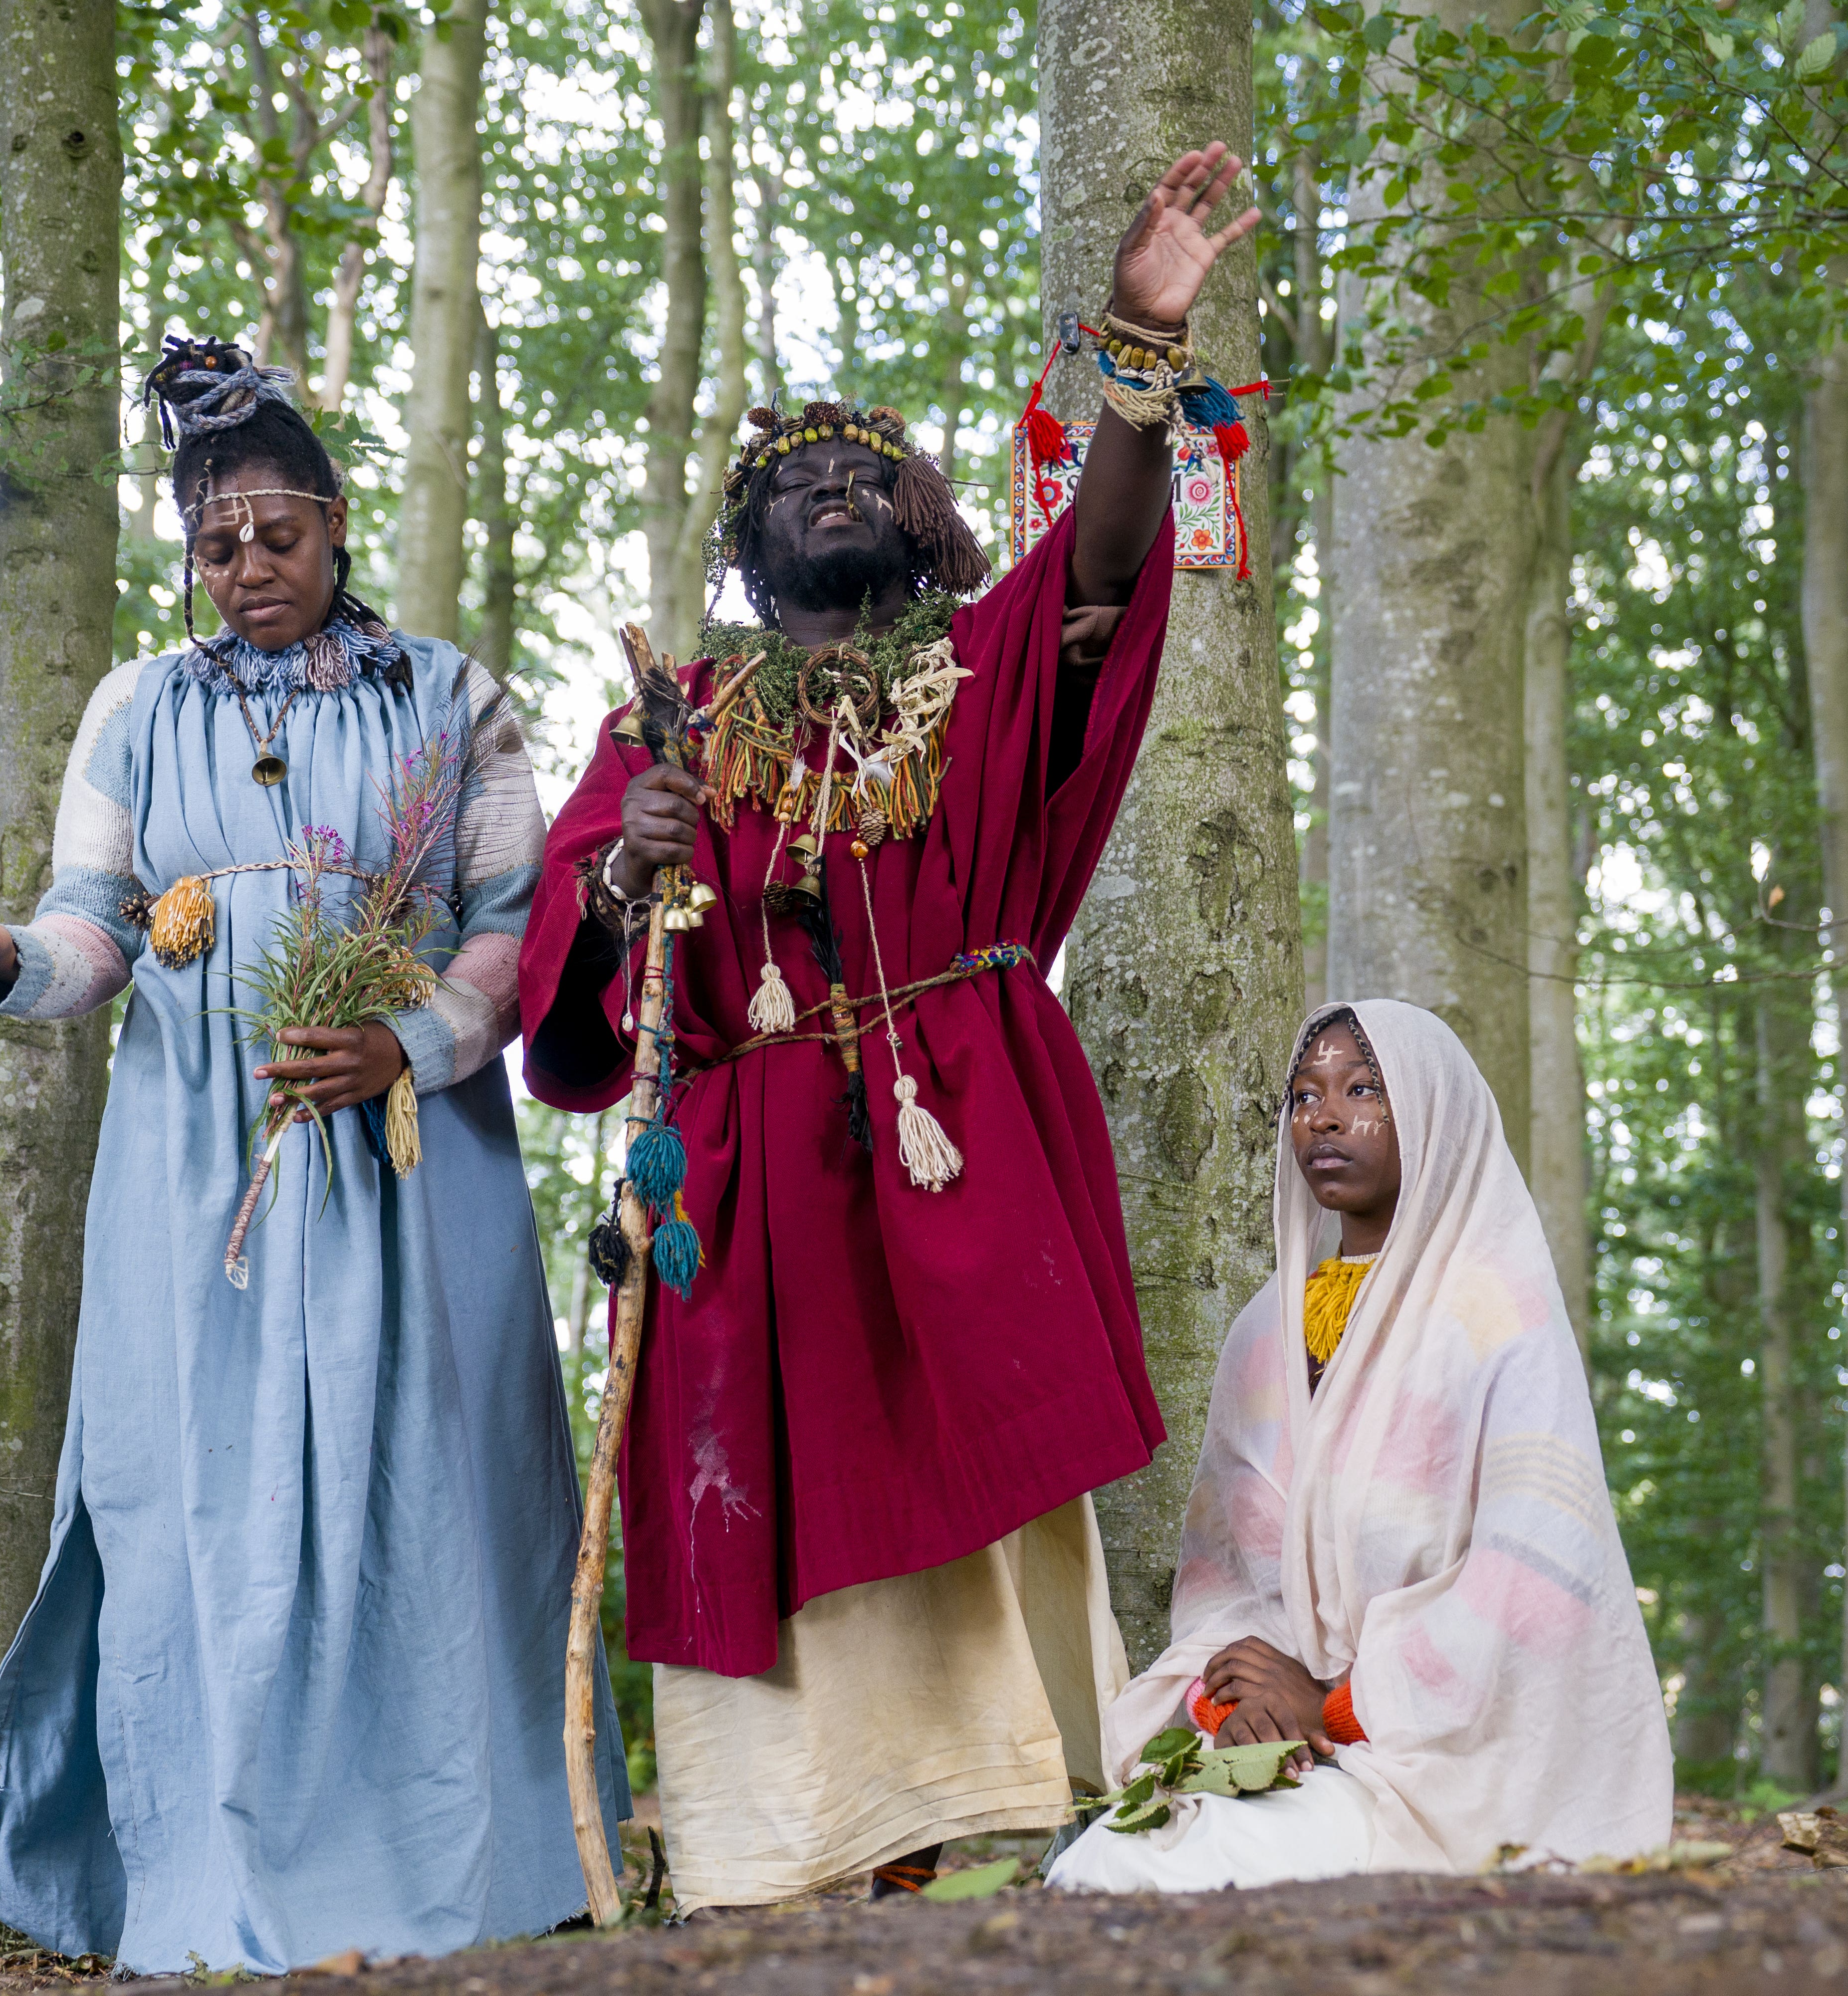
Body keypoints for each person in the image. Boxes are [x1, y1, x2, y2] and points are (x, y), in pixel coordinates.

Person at [518, 147, 1259, 1911]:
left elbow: (1110, 549)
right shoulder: (674, 717)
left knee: (975, 1468)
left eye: (868, 473)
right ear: (748, 551)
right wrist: (632, 870)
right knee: (773, 1493)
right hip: (752, 1186)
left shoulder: (981, 668)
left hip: (962, 1142)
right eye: (794, 480)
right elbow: (577, 981)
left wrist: (1137, 357)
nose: (833, 488)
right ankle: (794, 1863)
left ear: (924, 517)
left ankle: (986, 1834)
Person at [0, 337, 627, 1971]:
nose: (247, 568)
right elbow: (91, 936)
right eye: (216, 544)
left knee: (428, 1501)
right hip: (197, 1179)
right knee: (204, 1514)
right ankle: (209, 1893)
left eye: (275, 534)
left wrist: (408, 1047)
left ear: (338, 523)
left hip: (414, 1167)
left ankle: (482, 1874)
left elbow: (517, 929)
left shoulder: (452, 699)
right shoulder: (135, 710)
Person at [1044, 1000, 1672, 1891]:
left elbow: (1537, 1580)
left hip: (1457, 1773)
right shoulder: (1267, 1334)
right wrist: (1238, 1699)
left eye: (1363, 1088)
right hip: (1293, 1756)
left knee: (1129, 1874)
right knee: (1103, 1859)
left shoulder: (1497, 1317)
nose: (1325, 1117)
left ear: (1435, 1113)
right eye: (1304, 1095)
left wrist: (1340, 1704)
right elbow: (1225, 1577)